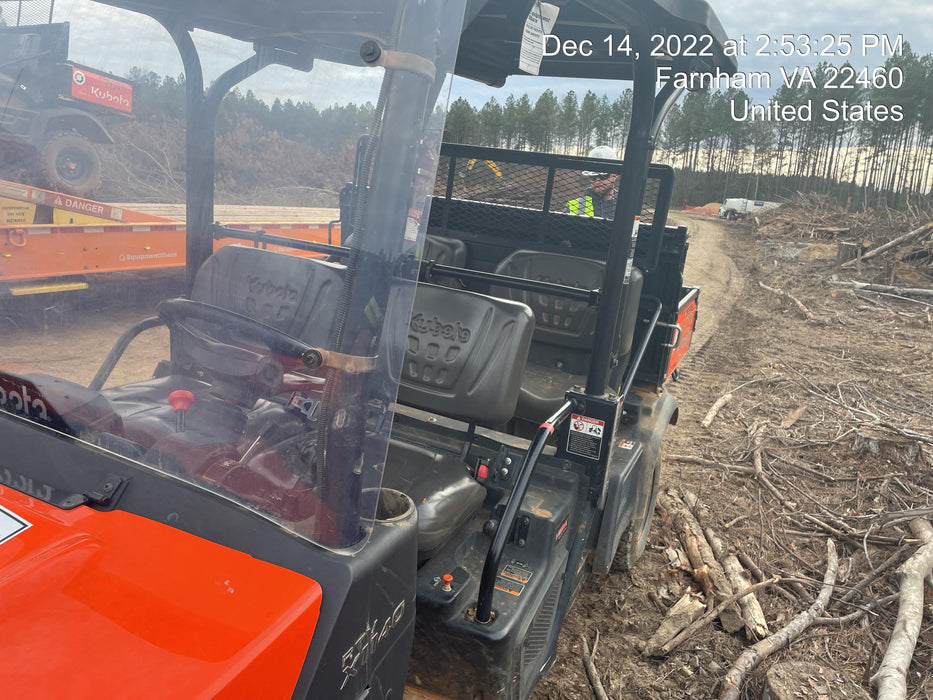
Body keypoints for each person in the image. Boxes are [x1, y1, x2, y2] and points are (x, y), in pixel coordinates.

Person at [564, 145, 619, 218]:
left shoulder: (626, 207)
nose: (597, 181)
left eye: (603, 176)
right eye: (593, 176)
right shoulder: (573, 207)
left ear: (616, 174)